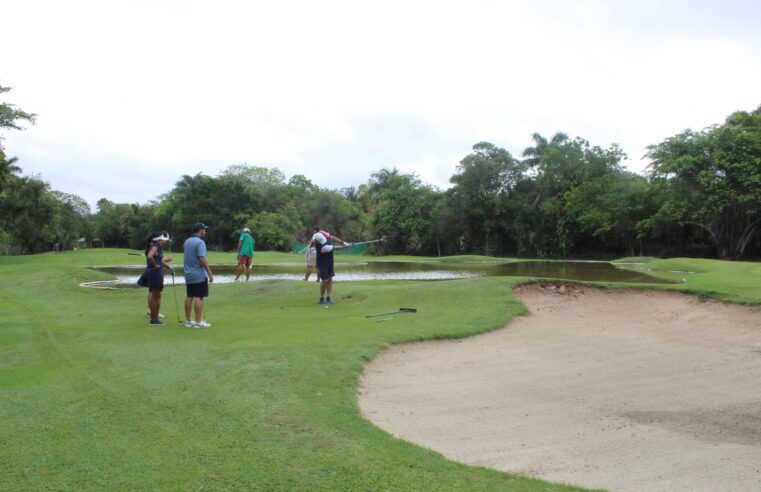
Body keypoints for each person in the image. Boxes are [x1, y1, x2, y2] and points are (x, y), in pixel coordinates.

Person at [310, 226, 352, 305]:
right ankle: (322, 297)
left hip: (330, 260)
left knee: (330, 279)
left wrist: (343, 242)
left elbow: (331, 237)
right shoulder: (323, 247)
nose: (325, 240)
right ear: (318, 242)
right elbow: (337, 248)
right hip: (322, 262)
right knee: (325, 280)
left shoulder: (321, 235)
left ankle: (328, 297)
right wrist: (346, 246)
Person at [183, 222, 214, 328]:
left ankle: (188, 321)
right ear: (200, 230)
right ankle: (198, 322)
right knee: (199, 297)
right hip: (199, 274)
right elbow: (202, 258)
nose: (205, 231)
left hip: (188, 273)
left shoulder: (187, 241)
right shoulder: (200, 242)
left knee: (189, 296)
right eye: (204, 229)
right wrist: (209, 273)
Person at [143, 232, 173, 326]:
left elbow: (159, 260)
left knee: (157, 296)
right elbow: (150, 256)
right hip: (155, 273)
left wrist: (169, 267)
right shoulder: (155, 246)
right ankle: (154, 319)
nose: (164, 242)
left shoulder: (156, 246)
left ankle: (155, 318)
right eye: (163, 240)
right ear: (159, 240)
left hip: (156, 273)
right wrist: (155, 265)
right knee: (155, 296)